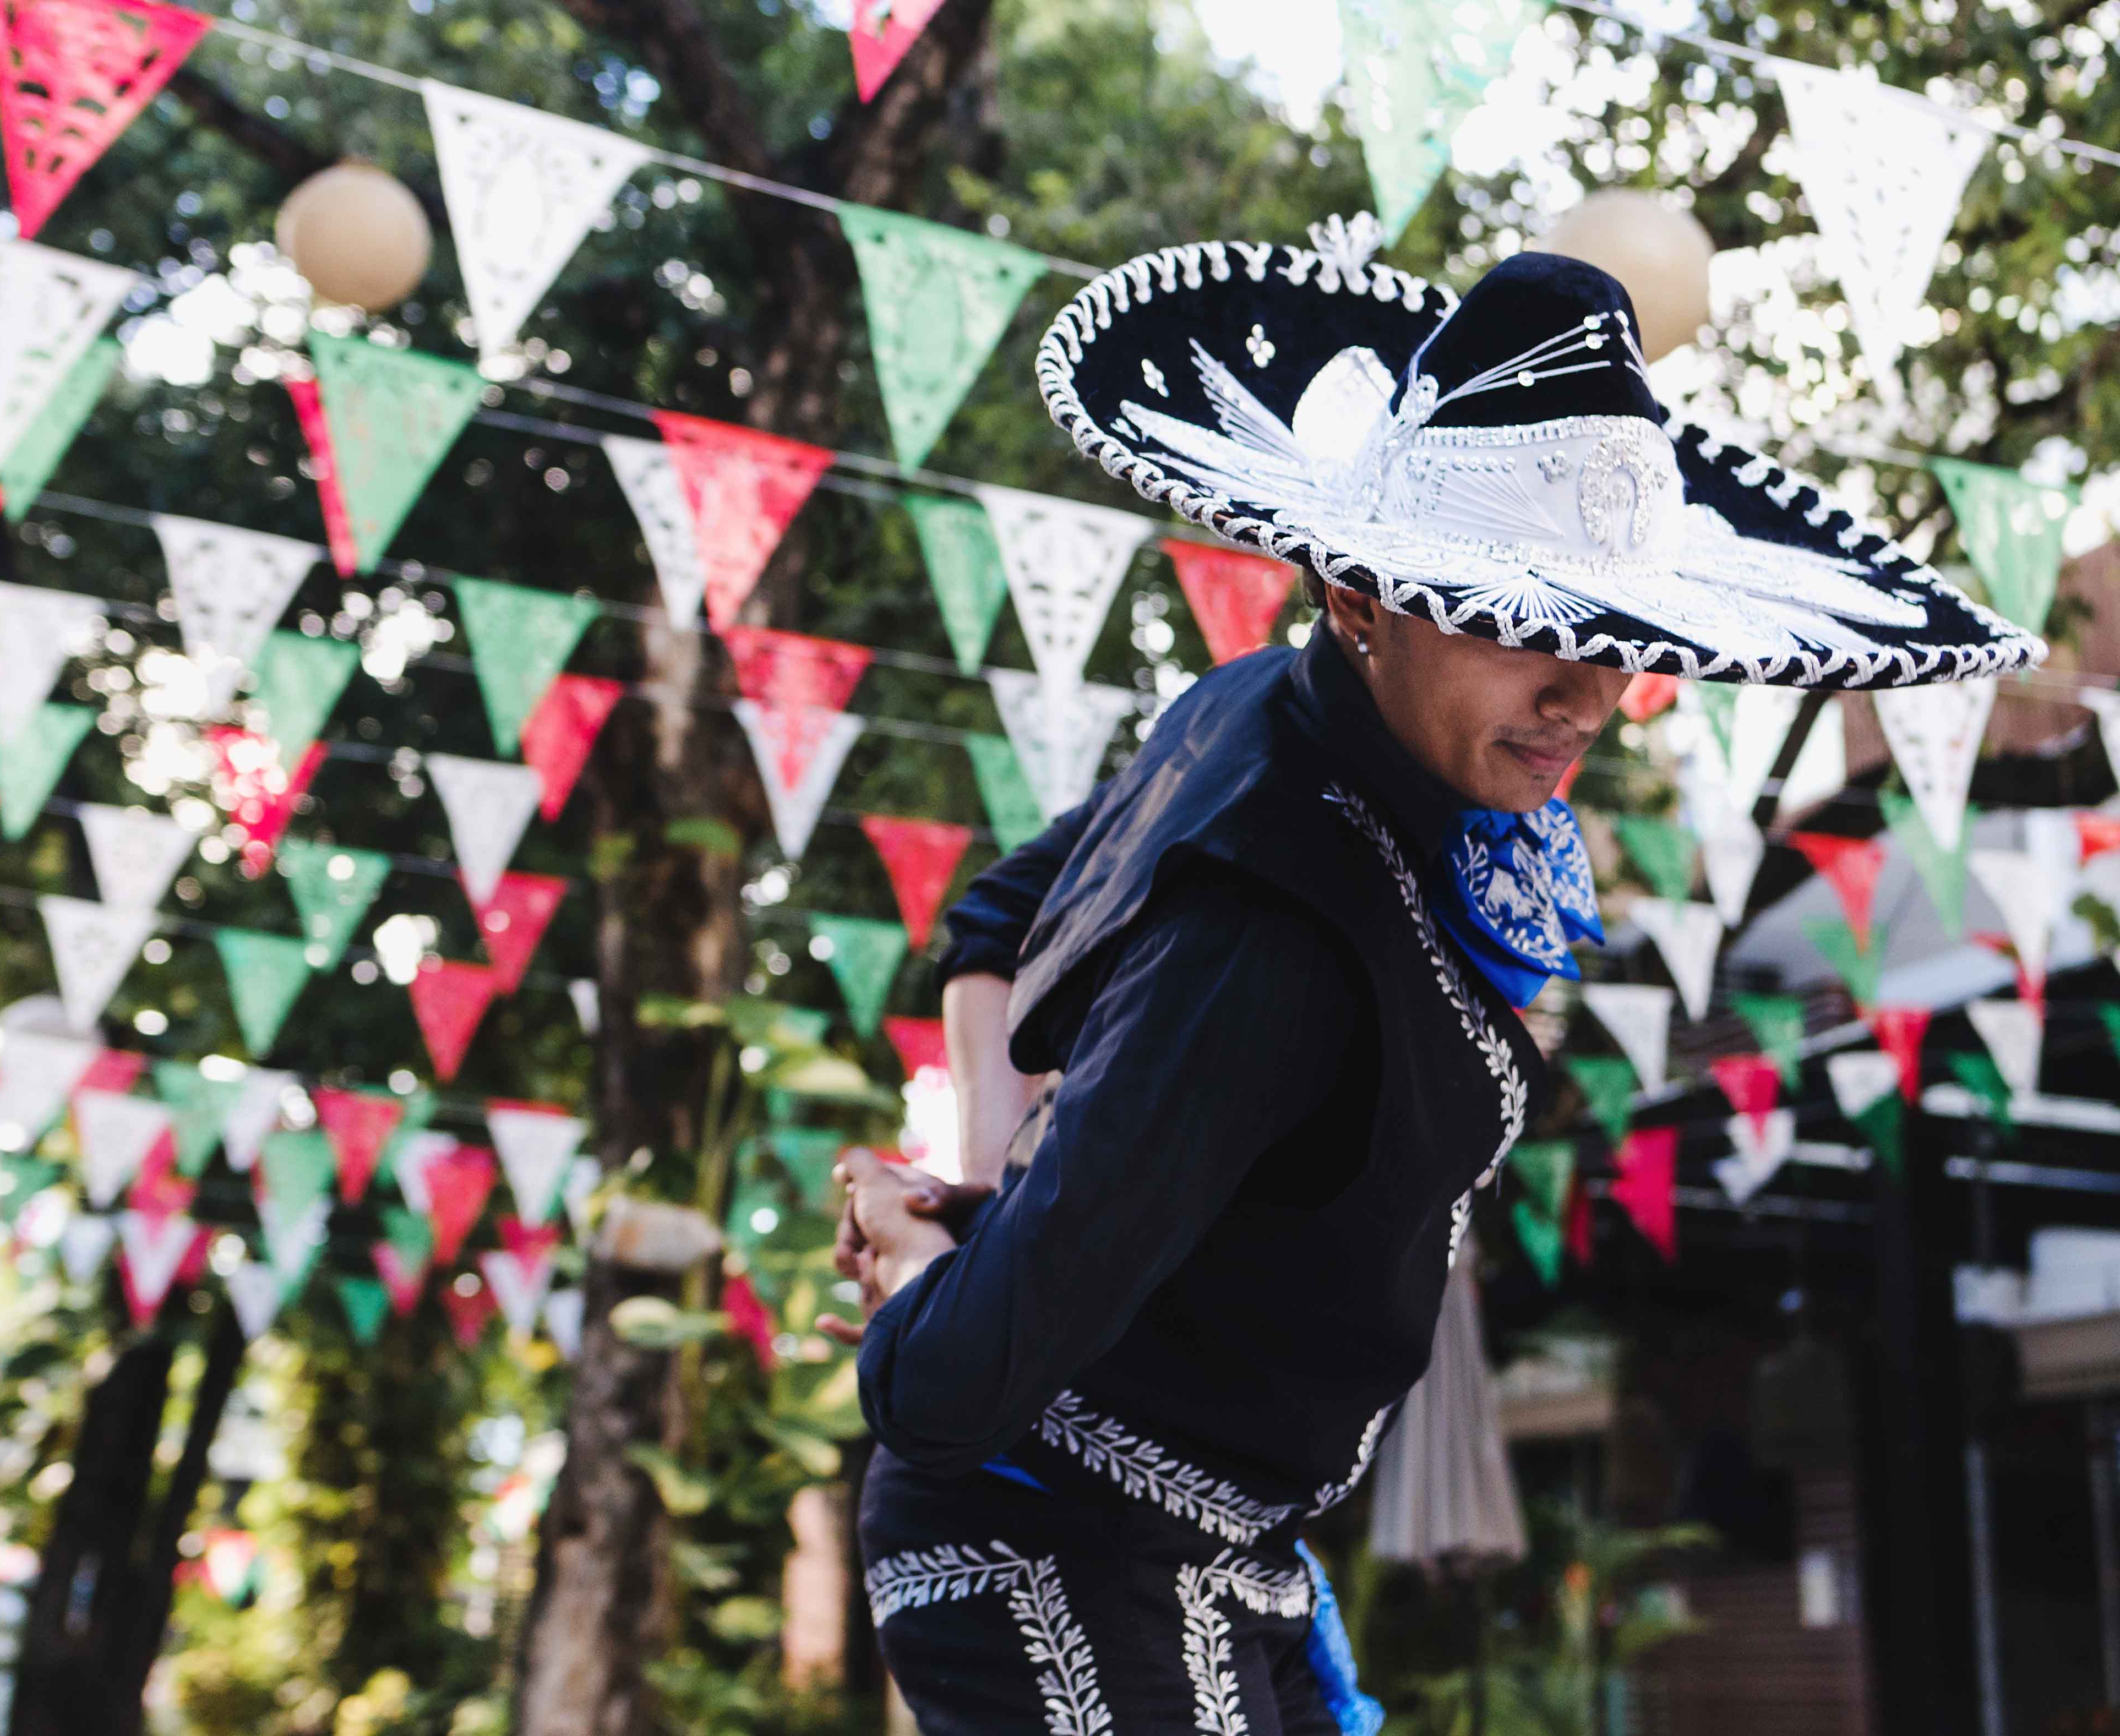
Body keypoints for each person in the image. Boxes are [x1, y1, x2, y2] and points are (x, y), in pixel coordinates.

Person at [828, 220, 2041, 1735]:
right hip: (1057, 1537)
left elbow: (1003, 918)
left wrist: (1008, 1174)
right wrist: (938, 1241)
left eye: (1612, 638)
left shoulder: (1281, 726)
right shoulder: (1271, 920)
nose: (1585, 690)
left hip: (1230, 1540)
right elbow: (945, 1385)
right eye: (1520, 624)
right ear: (1356, 599)